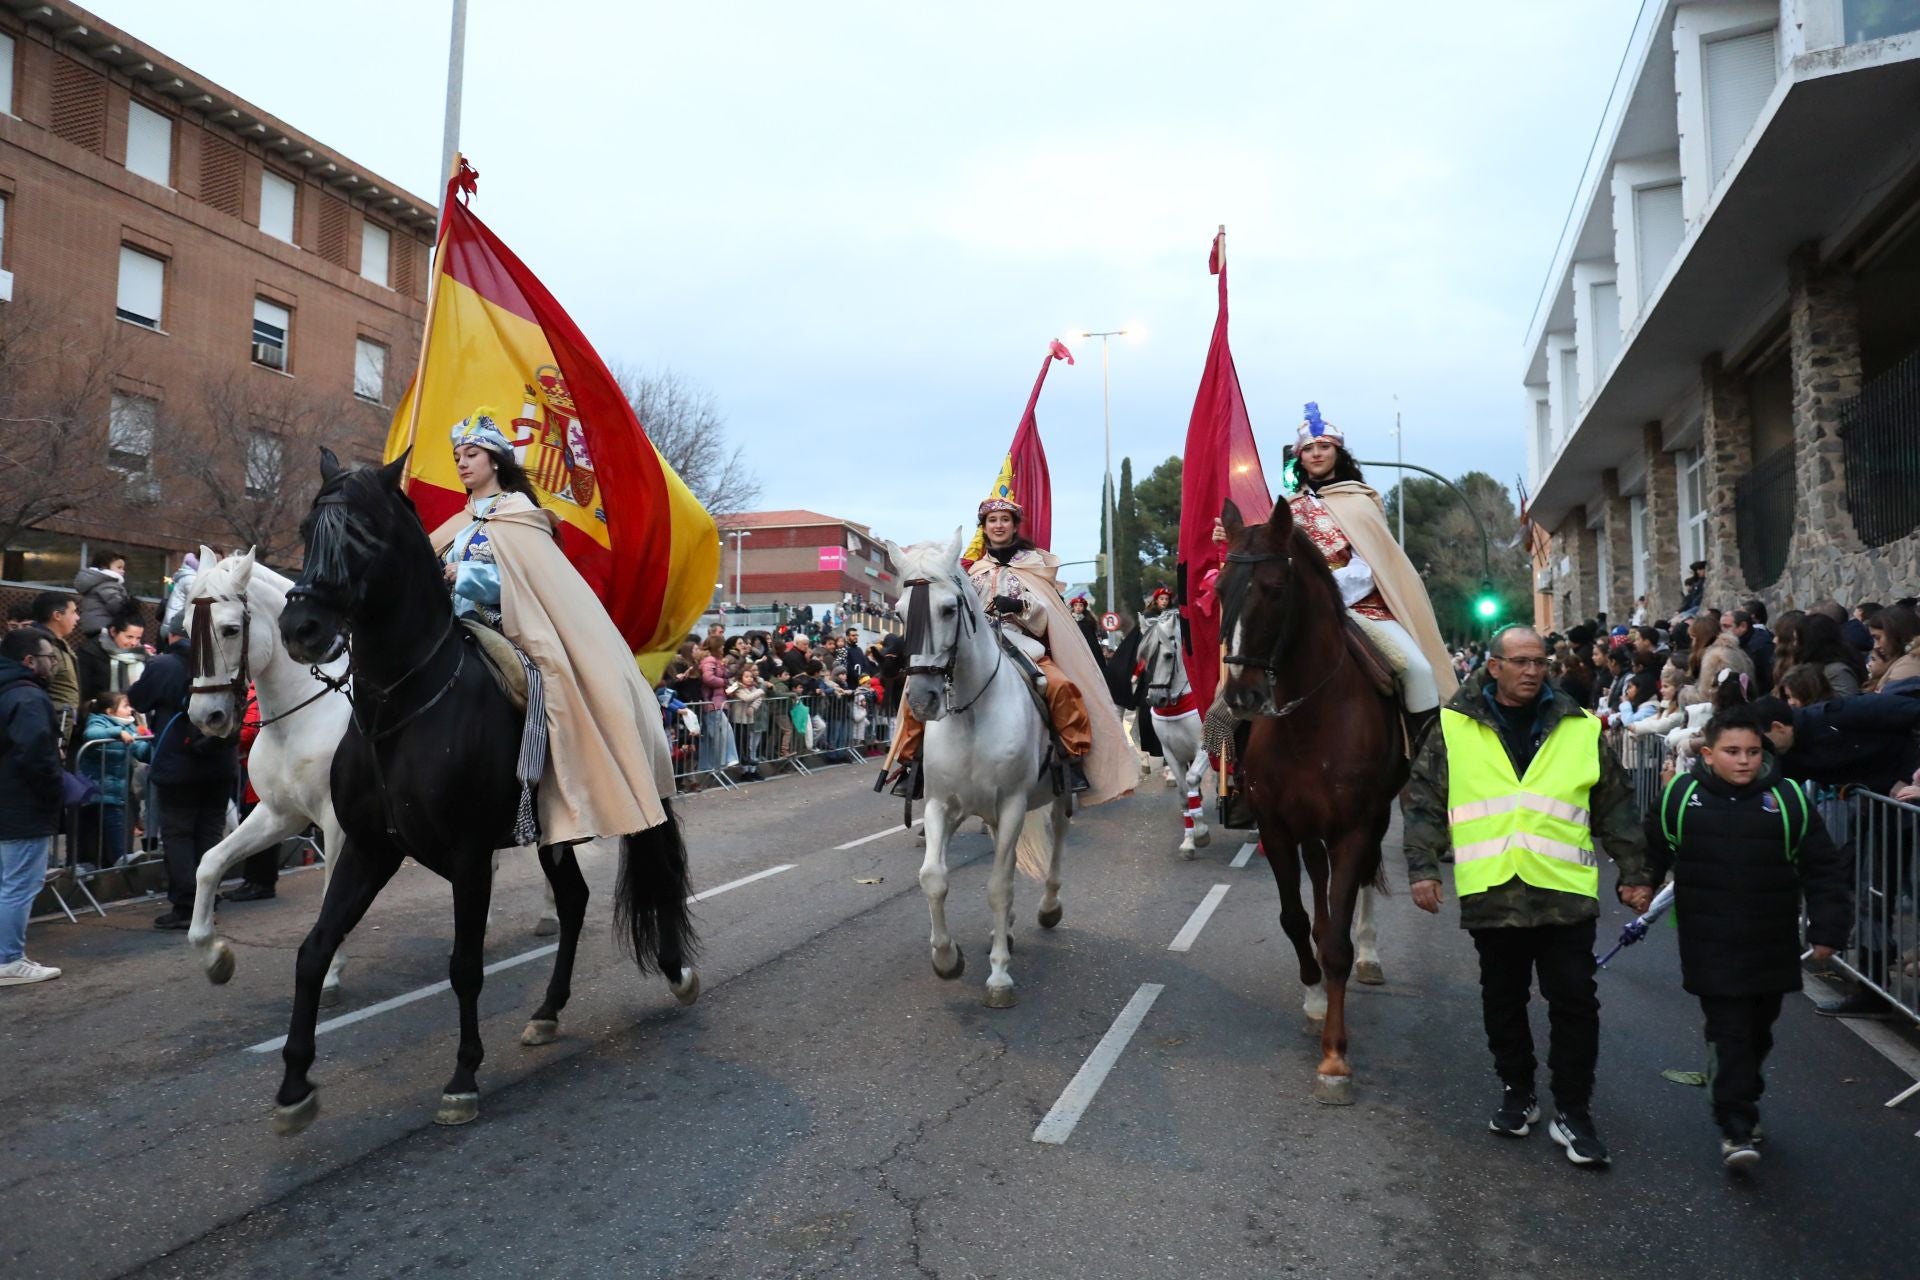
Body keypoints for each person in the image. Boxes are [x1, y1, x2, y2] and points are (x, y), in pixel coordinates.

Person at [1404, 624, 1654, 1168]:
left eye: (1539, 661)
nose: (1531, 671)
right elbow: (1423, 801)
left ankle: (1573, 1109)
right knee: (1503, 1000)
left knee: (1575, 1002)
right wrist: (1422, 868)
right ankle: (1518, 1092)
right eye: (1519, 661)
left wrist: (1635, 871)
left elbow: (1614, 805)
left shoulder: (1579, 726)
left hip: (1563, 893)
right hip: (1493, 890)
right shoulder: (1452, 727)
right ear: (1493, 667)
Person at [433, 408, 676, 846]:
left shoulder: (520, 514)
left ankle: (542, 789)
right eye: (457, 457)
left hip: (503, 627)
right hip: (449, 627)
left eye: (471, 454)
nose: (463, 463)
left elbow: (527, 582)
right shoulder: (460, 522)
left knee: (541, 685)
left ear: (494, 460)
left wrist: (463, 576)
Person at [1645, 706, 1851, 1169]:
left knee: (1757, 1033)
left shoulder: (1789, 801)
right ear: (1708, 754)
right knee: (1730, 1030)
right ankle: (1735, 1128)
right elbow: (1653, 845)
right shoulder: (1682, 795)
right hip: (1708, 939)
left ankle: (1743, 1098)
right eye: (1732, 752)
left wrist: (1827, 930)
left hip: (1769, 939)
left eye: (1753, 752)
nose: (1744, 761)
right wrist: (1638, 885)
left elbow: (1823, 869)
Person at [1231, 403, 1458, 740]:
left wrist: (1326, 592)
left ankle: (1429, 759)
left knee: (1419, 670)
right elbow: (1269, 558)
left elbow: (1370, 565)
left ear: (1338, 452)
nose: (1317, 454)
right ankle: (1240, 764)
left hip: (1362, 608)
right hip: (1299, 609)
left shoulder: (1362, 501)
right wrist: (1231, 537)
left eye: (1324, 447)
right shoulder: (1288, 508)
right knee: (1244, 667)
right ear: (1300, 457)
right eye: (1309, 449)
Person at [884, 493, 1130, 800]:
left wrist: (1019, 604)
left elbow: (1046, 614)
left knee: (1059, 686)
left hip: (1020, 640)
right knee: (917, 689)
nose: (998, 525)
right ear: (984, 528)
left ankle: (1069, 759)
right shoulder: (970, 571)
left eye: (1004, 520)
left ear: (1014, 526)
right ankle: (913, 764)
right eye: (992, 521)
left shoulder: (1034, 566)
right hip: (974, 643)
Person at [130, 623, 237, 931]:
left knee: (178, 834)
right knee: (210, 834)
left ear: (173, 635)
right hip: (218, 762)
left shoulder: (163, 665)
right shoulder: (224, 663)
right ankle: (208, 898)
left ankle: (187, 905)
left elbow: (138, 700)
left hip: (178, 764)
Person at [0, 629, 66, 985]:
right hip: (22, 804)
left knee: (6, 883)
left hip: (7, 800)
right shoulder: (28, 697)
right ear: (29, 661)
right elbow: (36, 754)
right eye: (50, 658)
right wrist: (54, 790)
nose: (54, 665)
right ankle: (8, 959)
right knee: (19, 885)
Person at [78, 691, 151, 869]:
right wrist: (118, 732)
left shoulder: (130, 727)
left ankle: (119, 858)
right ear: (110, 711)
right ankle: (119, 858)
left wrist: (150, 742)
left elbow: (140, 751)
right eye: (125, 706)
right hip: (97, 789)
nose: (130, 710)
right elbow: (92, 734)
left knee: (116, 823)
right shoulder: (98, 720)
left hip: (116, 790)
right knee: (108, 825)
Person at [23, 592, 80, 739]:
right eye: (73, 612)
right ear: (57, 615)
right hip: (46, 732)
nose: (77, 617)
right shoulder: (42, 647)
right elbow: (33, 692)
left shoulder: (59, 643)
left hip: (61, 727)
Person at [75, 614, 146, 716]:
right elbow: (82, 689)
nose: (134, 643)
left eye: (138, 638)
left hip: (128, 715)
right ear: (113, 632)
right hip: (97, 715)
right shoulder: (90, 652)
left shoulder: (139, 655)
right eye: (129, 637)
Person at [73, 551, 132, 637]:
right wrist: (129, 610)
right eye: (119, 567)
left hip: (95, 624)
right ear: (105, 567)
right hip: (104, 627)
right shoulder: (107, 584)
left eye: (123, 568)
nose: (123, 571)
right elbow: (116, 605)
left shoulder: (98, 583)